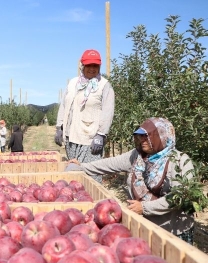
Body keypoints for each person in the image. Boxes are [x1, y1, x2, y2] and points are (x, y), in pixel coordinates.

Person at [65, 117, 195, 244]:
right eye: (141, 136)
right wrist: (82, 166)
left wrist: (145, 207)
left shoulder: (179, 161)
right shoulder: (137, 156)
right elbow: (110, 164)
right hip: (145, 227)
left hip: (173, 232)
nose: (142, 140)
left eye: (147, 136)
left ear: (162, 136)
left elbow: (179, 197)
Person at [55, 49, 115, 183]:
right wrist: (59, 126)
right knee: (72, 173)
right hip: (72, 137)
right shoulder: (73, 83)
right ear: (82, 66)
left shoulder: (104, 86)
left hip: (90, 139)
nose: (92, 69)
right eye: (89, 65)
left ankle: (93, 202)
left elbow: (108, 111)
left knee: (90, 176)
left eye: (95, 66)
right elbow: (64, 105)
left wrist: (101, 134)